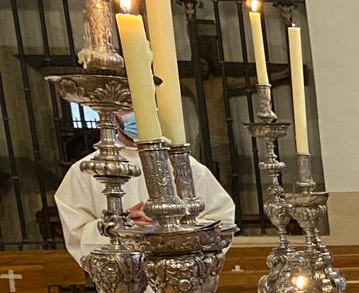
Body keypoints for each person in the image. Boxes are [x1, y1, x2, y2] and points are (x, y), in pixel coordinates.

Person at [55, 111, 234, 267]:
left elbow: (220, 220)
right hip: (123, 278)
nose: (137, 113)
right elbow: (77, 234)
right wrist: (123, 225)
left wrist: (173, 228)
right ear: (110, 112)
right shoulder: (88, 170)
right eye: (127, 107)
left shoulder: (186, 166)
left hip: (184, 276)